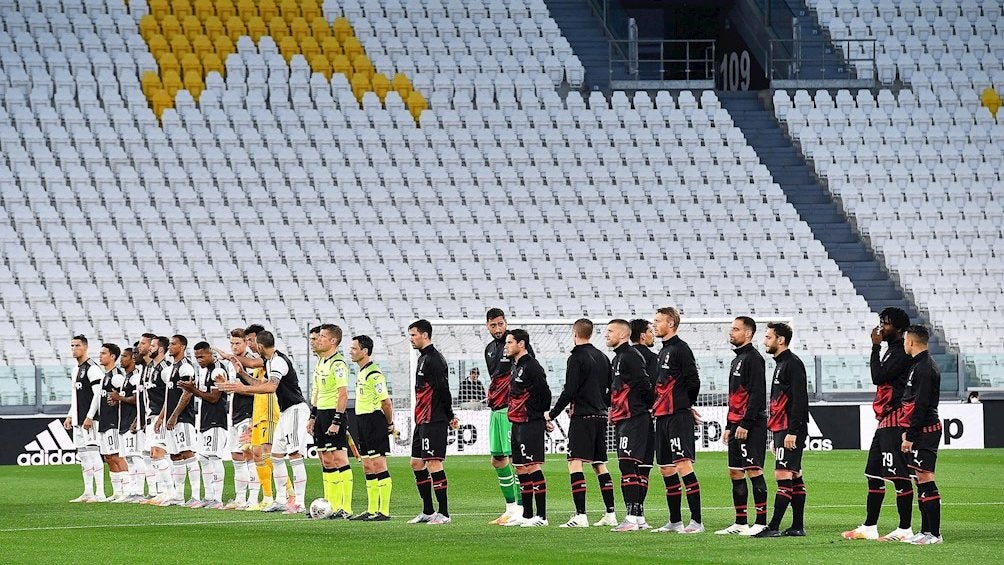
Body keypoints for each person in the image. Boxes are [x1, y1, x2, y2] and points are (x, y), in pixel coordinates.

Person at [843, 308, 915, 541]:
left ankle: (905, 529)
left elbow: (877, 376)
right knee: (873, 472)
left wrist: (874, 347)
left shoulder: (901, 353)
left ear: (900, 329)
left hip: (895, 418)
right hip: (885, 419)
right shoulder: (890, 351)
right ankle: (870, 526)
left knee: (899, 475)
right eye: (880, 321)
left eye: (886, 323)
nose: (881, 326)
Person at [219, 331, 309, 514]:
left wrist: (242, 387)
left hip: (295, 410)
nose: (252, 347)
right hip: (286, 412)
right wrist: (242, 374)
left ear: (260, 346)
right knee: (276, 456)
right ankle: (281, 499)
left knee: (294, 456)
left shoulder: (278, 361)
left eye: (253, 344)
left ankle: (299, 502)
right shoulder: (270, 361)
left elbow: (270, 388)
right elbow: (259, 383)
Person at [546, 318, 616, 528]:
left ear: (574, 333)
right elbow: (611, 390)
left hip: (582, 416)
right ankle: (610, 513)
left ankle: (581, 515)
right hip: (600, 416)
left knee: (574, 462)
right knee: (599, 464)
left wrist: (552, 414)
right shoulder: (604, 357)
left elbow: (570, 390)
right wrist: (602, 406)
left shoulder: (576, 358)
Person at [650, 308, 703, 534]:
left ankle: (697, 522)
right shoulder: (663, 351)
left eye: (658, 320)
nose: (654, 324)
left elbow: (694, 380)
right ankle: (674, 521)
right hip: (662, 416)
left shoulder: (681, 349)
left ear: (670, 323)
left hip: (677, 416)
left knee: (683, 465)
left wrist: (685, 405)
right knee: (666, 469)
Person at [754, 322, 809, 538]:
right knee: (794, 475)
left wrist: (792, 431)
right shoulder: (781, 364)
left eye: (768, 337)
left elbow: (799, 400)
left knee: (783, 474)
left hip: (789, 428)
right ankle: (797, 526)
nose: (765, 341)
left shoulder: (792, 364)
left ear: (780, 340)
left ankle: (774, 526)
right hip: (782, 428)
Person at [717, 316, 770, 536]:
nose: (731, 332)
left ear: (748, 334)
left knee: (753, 470)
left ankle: (761, 522)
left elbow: (757, 394)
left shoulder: (754, 359)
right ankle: (740, 522)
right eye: (732, 329)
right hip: (737, 423)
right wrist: (729, 425)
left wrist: (746, 423)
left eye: (736, 329)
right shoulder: (736, 360)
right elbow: (735, 398)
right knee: (735, 473)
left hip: (752, 425)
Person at [407, 320, 459, 525]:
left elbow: (443, 390)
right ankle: (428, 510)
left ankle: (444, 513)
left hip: (434, 419)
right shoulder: (423, 359)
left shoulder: (434, 359)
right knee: (416, 463)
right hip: (422, 420)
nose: (411, 339)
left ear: (425, 335)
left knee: (433, 463)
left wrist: (449, 415)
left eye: (414, 335)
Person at [606, 319, 654, 532]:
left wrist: (646, 407)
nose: (606, 335)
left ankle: (631, 518)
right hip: (628, 417)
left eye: (610, 331)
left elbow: (644, 384)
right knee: (635, 467)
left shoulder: (629, 357)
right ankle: (639, 517)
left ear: (623, 335)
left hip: (634, 418)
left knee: (627, 465)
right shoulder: (618, 358)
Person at [483, 308, 529, 524]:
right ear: (487, 326)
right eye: (493, 325)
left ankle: (522, 509)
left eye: (501, 324)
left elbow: (528, 371)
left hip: (512, 409)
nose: (498, 329)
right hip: (496, 409)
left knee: (517, 460)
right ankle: (510, 508)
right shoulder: (490, 349)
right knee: (498, 460)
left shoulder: (516, 344)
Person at [502, 329, 551, 527]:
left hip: (530, 422)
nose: (506, 345)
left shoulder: (532, 366)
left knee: (532, 466)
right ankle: (527, 514)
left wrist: (541, 415)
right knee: (520, 467)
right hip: (517, 422)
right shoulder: (516, 366)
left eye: (510, 342)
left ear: (521, 344)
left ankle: (542, 517)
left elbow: (545, 393)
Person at [900, 325, 943, 545]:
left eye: (905, 340)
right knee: (919, 478)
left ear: (911, 342)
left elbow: (921, 404)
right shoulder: (918, 365)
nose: (904, 344)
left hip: (925, 430)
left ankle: (934, 534)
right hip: (920, 430)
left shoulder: (925, 367)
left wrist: (910, 434)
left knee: (926, 477)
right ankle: (925, 530)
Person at [306, 324, 353, 519]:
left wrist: (337, 420)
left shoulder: (338, 363)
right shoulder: (320, 362)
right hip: (322, 414)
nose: (318, 339)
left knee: (339, 458)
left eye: (323, 336)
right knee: (326, 459)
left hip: (334, 413)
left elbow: (343, 393)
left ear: (333, 341)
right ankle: (329, 505)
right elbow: (316, 393)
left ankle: (346, 507)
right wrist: (312, 417)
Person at [346, 335, 394, 521]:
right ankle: (372, 509)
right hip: (362, 421)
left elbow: (386, 402)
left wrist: (389, 423)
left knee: (378, 464)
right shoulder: (362, 372)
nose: (351, 351)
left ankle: (384, 511)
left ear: (365, 351)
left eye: (354, 348)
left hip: (374, 420)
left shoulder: (374, 374)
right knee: (367, 465)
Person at [181, 341, 229, 510]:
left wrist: (193, 390)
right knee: (204, 458)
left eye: (202, 356)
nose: (199, 359)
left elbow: (214, 398)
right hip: (204, 420)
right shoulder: (204, 371)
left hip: (216, 420)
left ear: (210, 354)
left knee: (214, 457)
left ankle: (217, 498)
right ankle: (208, 496)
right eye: (196, 357)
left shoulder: (217, 370)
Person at [217, 328, 258, 509]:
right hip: (233, 415)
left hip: (249, 414)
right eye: (232, 343)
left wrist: (240, 387)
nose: (234, 346)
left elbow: (259, 390)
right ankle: (240, 498)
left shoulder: (252, 363)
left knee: (249, 454)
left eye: (237, 343)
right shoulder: (231, 364)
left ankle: (254, 498)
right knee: (236, 455)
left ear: (246, 343)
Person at [159, 335, 201, 507]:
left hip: (183, 418)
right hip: (170, 418)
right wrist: (162, 416)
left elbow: (188, 392)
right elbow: (169, 396)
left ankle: (196, 496)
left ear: (182, 347)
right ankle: (178, 495)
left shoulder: (186, 367)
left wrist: (175, 415)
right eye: (169, 344)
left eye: (173, 344)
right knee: (175, 456)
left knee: (187, 453)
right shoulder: (170, 369)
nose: (170, 347)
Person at [65, 335, 106, 502]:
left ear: (85, 348)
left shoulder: (93, 368)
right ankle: (88, 491)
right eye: (72, 345)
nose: (74, 349)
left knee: (94, 454)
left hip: (90, 420)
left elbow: (98, 395)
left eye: (77, 346)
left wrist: (89, 416)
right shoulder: (76, 369)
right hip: (78, 420)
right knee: (83, 456)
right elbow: (76, 396)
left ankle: (101, 493)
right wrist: (70, 415)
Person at [629, 318, 657, 529]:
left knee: (630, 467)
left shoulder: (624, 357)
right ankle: (639, 514)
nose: (653, 334)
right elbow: (656, 388)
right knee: (644, 468)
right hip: (647, 416)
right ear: (642, 335)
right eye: (650, 331)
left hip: (629, 417)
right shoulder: (653, 358)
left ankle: (633, 514)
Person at [141, 336, 175, 505]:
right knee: (156, 455)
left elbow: (170, 397)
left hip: (161, 417)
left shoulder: (166, 369)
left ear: (161, 349)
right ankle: (164, 491)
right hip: (151, 416)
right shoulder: (149, 368)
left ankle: (169, 492)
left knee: (158, 454)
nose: (149, 348)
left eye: (153, 346)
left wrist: (162, 417)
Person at [111, 346, 147, 501]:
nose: (121, 359)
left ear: (133, 358)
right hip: (124, 422)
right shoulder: (126, 377)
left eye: (125, 356)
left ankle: (139, 492)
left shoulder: (135, 378)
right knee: (130, 459)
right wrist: (117, 400)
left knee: (136, 457)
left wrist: (119, 398)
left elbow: (136, 400)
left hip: (133, 423)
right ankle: (132, 491)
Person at [97, 343, 132, 502]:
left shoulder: (118, 375)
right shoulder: (106, 375)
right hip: (104, 420)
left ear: (112, 356)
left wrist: (118, 402)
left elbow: (124, 396)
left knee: (117, 455)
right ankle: (117, 492)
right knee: (108, 457)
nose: (100, 356)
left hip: (114, 422)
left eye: (103, 353)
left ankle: (128, 491)